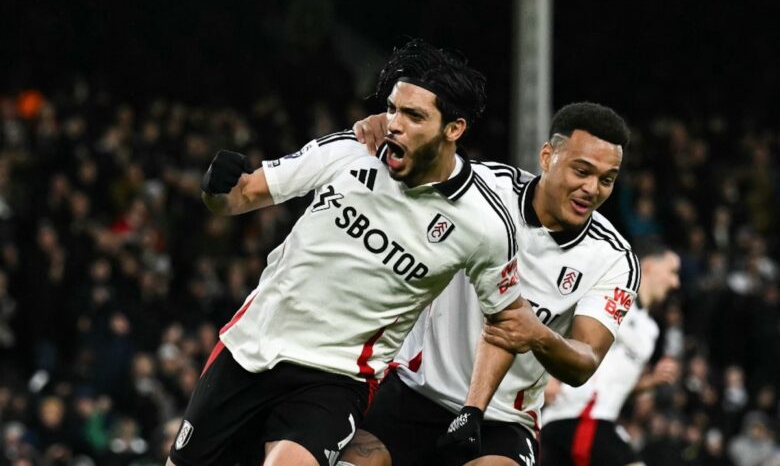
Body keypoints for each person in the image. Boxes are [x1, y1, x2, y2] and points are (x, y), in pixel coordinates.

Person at [167, 40, 528, 466]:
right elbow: (241, 195)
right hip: (250, 346)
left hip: (336, 375)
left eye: (414, 116)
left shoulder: (483, 224)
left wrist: (475, 407)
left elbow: (506, 318)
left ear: (454, 129)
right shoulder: (349, 151)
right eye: (392, 109)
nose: (394, 124)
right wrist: (216, 188)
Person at [339, 101, 637, 466]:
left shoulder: (614, 260)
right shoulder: (481, 186)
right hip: (415, 390)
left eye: (606, 179)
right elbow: (412, 159)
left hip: (502, 422)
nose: (592, 188)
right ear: (547, 157)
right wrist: (388, 128)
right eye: (582, 171)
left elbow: (585, 361)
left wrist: (538, 335)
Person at [541, 241, 681, 466]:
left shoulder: (650, 330)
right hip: (575, 417)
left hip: (597, 420)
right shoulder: (610, 299)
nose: (676, 282)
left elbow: (615, 387)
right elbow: (555, 326)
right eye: (672, 272)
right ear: (649, 267)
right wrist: (547, 377)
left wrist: (649, 382)